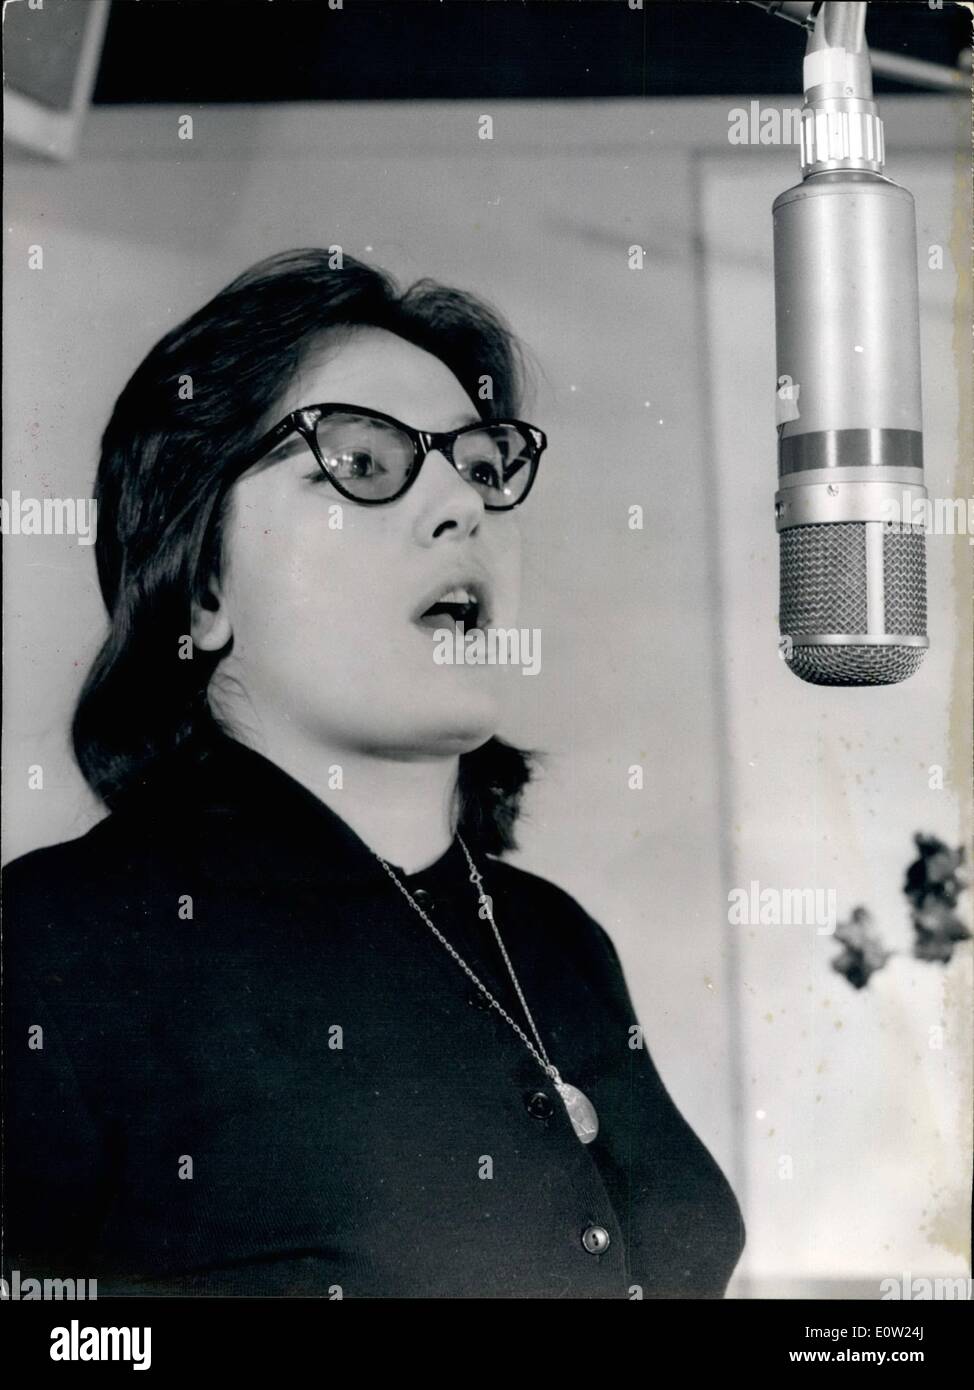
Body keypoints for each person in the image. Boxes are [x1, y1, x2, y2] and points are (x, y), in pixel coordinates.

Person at [2, 249, 745, 1298]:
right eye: (362, 461)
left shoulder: (558, 940)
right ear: (201, 585)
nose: (463, 507)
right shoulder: (49, 944)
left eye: (482, 467)